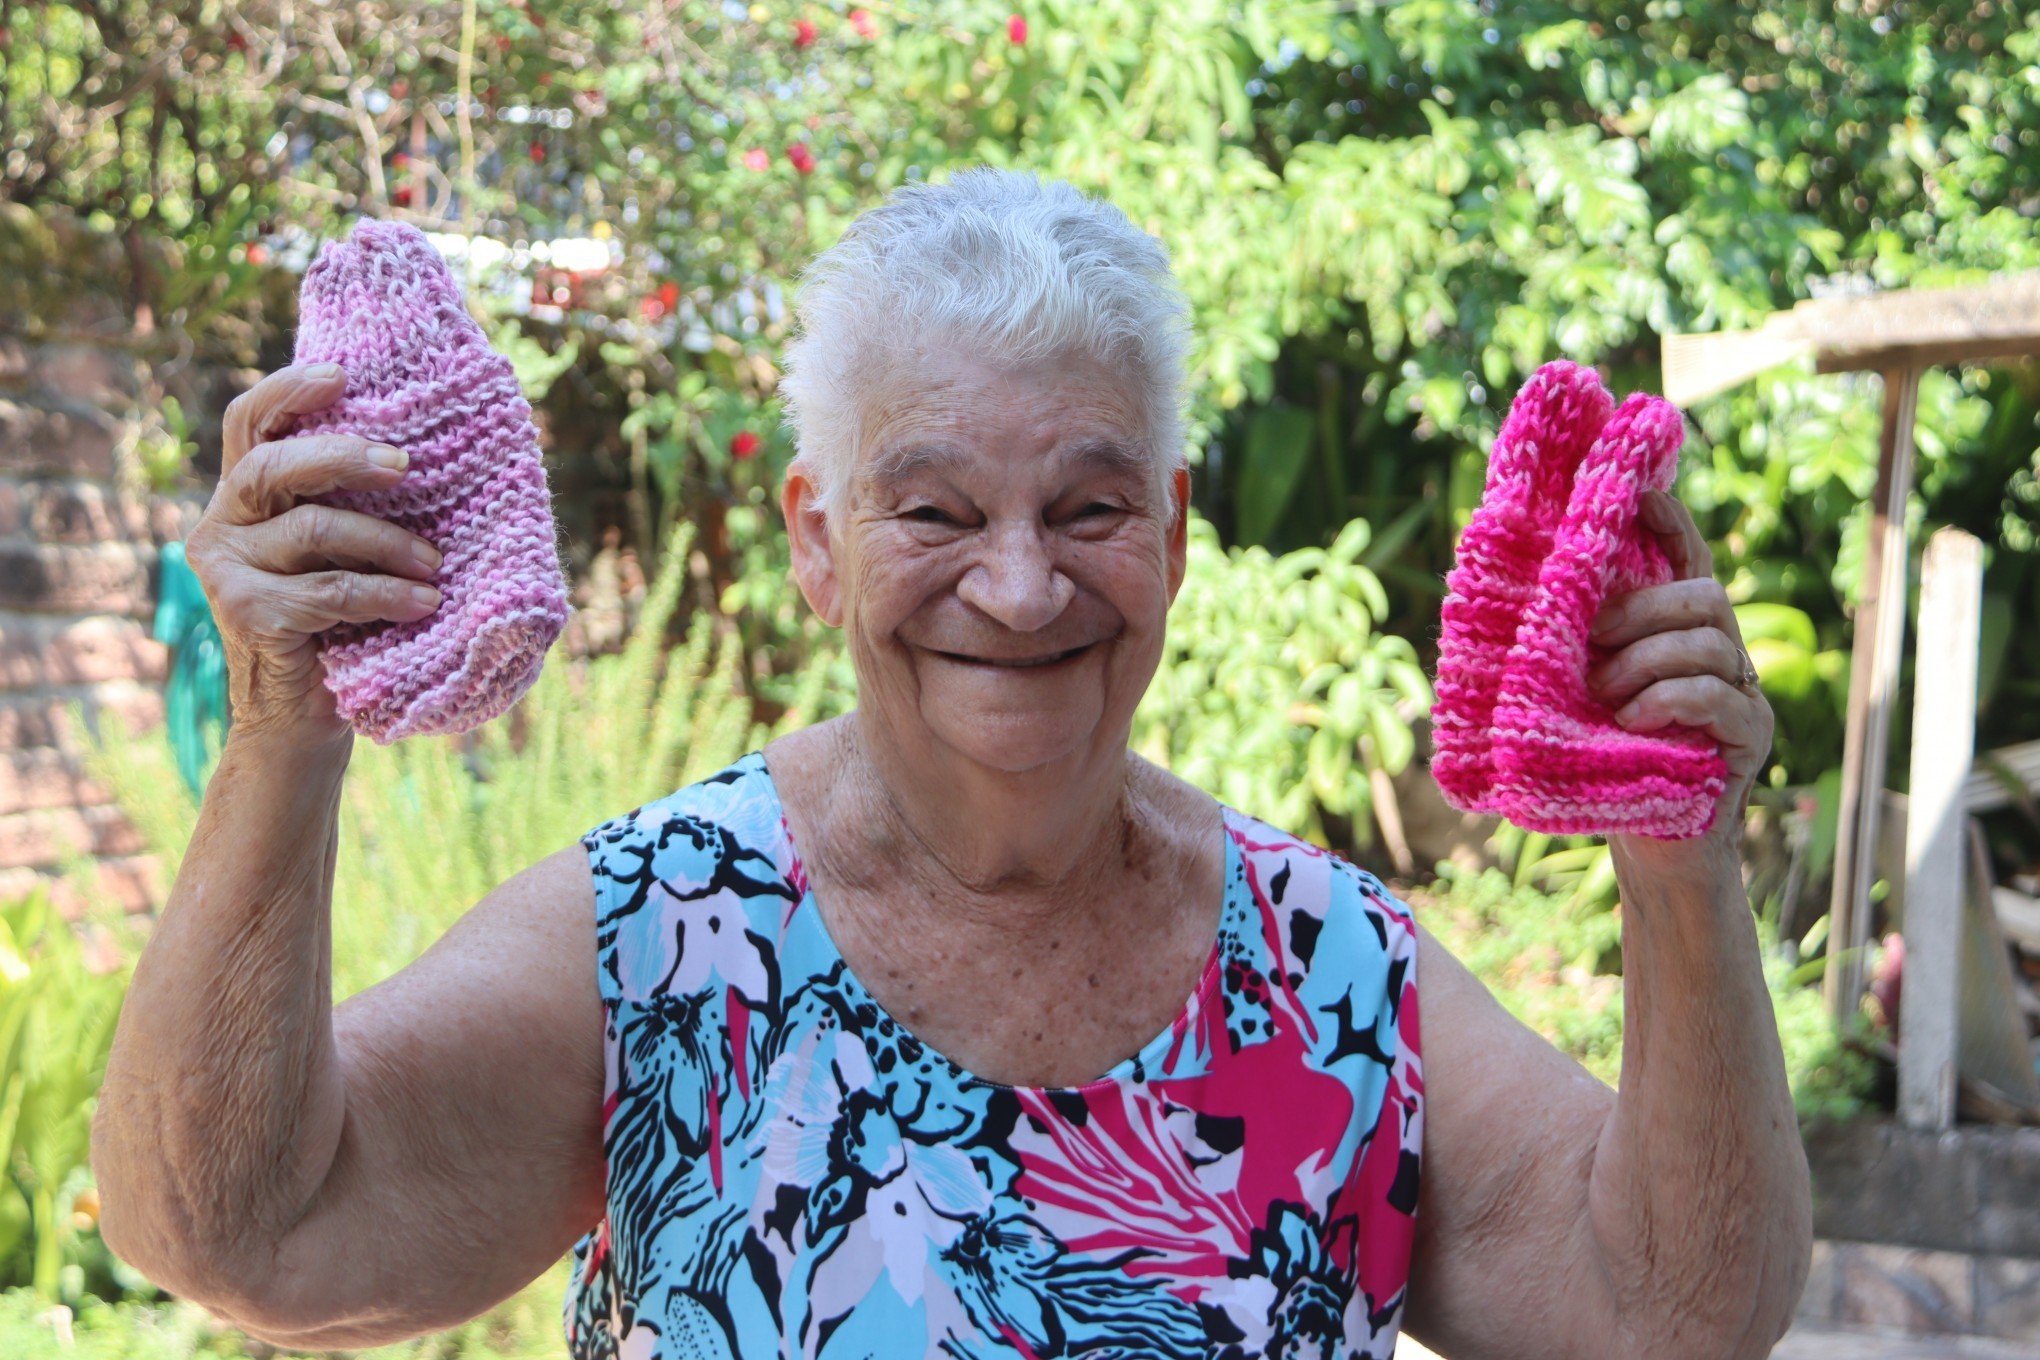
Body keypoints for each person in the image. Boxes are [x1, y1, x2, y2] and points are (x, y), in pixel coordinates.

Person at [90, 168, 1810, 1359]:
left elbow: (1673, 1318)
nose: (1019, 582)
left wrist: (1675, 868)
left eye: (1088, 506)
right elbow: (242, 1232)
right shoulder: (667, 939)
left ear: (1176, 536)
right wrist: (284, 735)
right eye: (932, 509)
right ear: (819, 545)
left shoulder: (1331, 973)